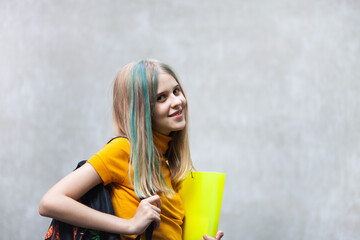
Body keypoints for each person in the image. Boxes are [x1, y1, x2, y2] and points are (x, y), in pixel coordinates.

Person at [39, 60, 224, 240]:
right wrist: (129, 225)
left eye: (176, 91)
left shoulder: (168, 165)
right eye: (161, 97)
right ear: (141, 110)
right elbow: (50, 202)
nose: (177, 101)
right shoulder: (124, 150)